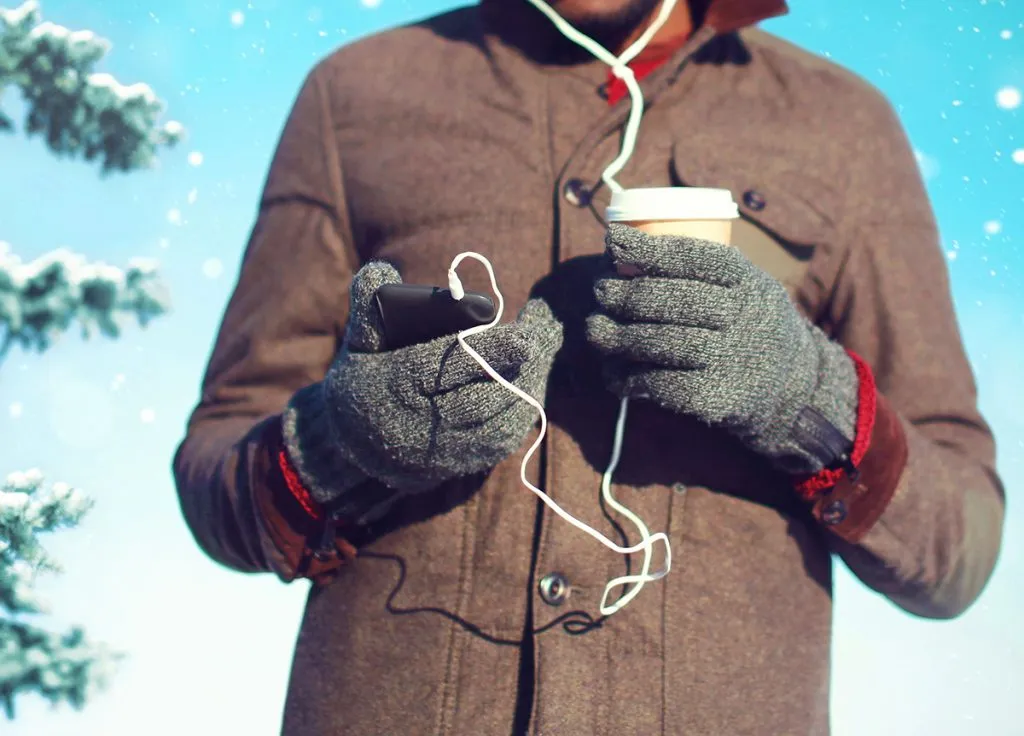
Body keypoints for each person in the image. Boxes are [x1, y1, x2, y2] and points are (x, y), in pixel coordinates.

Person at [172, 0, 1006, 733]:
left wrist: (805, 395)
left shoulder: (844, 123)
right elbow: (215, 468)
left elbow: (959, 550)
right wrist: (341, 440)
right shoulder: (353, 95)